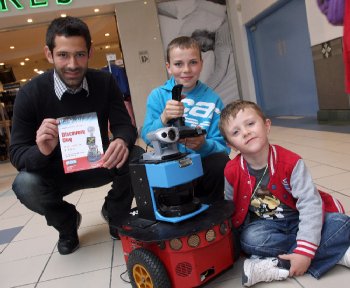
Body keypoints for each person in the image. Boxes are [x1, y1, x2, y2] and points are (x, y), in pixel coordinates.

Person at [9, 16, 141, 255]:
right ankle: (67, 224)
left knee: (136, 155)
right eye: (63, 55)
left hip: (98, 162)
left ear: (90, 52)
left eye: (79, 54)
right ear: (49, 54)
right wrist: (42, 150)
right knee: (24, 184)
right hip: (55, 172)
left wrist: (121, 139)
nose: (72, 64)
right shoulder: (30, 94)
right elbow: (17, 154)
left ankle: (115, 212)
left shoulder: (104, 81)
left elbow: (125, 125)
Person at [219, 100, 350, 287]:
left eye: (250, 124)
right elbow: (230, 206)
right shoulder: (231, 171)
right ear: (230, 144)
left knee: (341, 223)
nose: (246, 132)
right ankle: (335, 253)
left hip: (301, 219)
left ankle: (276, 266)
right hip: (268, 228)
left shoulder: (291, 163)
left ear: (267, 125)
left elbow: (310, 204)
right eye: (236, 132)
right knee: (249, 239)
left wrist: (304, 252)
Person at [141, 36, 230, 204]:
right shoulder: (157, 96)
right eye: (178, 64)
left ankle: (210, 207)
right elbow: (146, 136)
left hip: (201, 165)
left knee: (221, 161)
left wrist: (204, 144)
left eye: (193, 62)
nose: (186, 70)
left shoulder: (213, 100)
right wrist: (163, 118)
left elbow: (223, 148)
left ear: (202, 64)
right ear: (168, 67)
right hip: (170, 166)